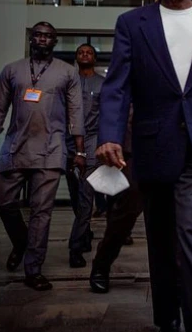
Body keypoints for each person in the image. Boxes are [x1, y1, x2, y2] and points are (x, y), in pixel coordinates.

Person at [96, 0, 192, 332]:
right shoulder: (132, 23)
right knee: (159, 237)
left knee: (190, 234)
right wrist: (110, 135)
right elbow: (117, 86)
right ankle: (168, 317)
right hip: (154, 146)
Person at [0, 22, 84, 291]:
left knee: (41, 211)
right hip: (15, 145)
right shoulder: (12, 70)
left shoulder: (67, 72)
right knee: (3, 200)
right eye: (38, 34)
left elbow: (76, 113)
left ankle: (33, 268)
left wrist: (80, 150)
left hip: (51, 148)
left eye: (48, 36)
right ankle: (21, 242)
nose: (42, 39)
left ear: (55, 41)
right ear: (31, 39)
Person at [89, 104, 144, 293]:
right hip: (133, 140)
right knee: (128, 207)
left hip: (173, 137)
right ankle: (102, 263)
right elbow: (115, 97)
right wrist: (108, 138)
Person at [67, 43, 106, 268]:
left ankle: (75, 247)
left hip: (91, 141)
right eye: (81, 52)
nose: (84, 54)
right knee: (75, 194)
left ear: (94, 58)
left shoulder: (102, 83)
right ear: (76, 57)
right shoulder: (68, 80)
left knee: (85, 197)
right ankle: (84, 233)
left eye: (89, 52)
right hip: (66, 143)